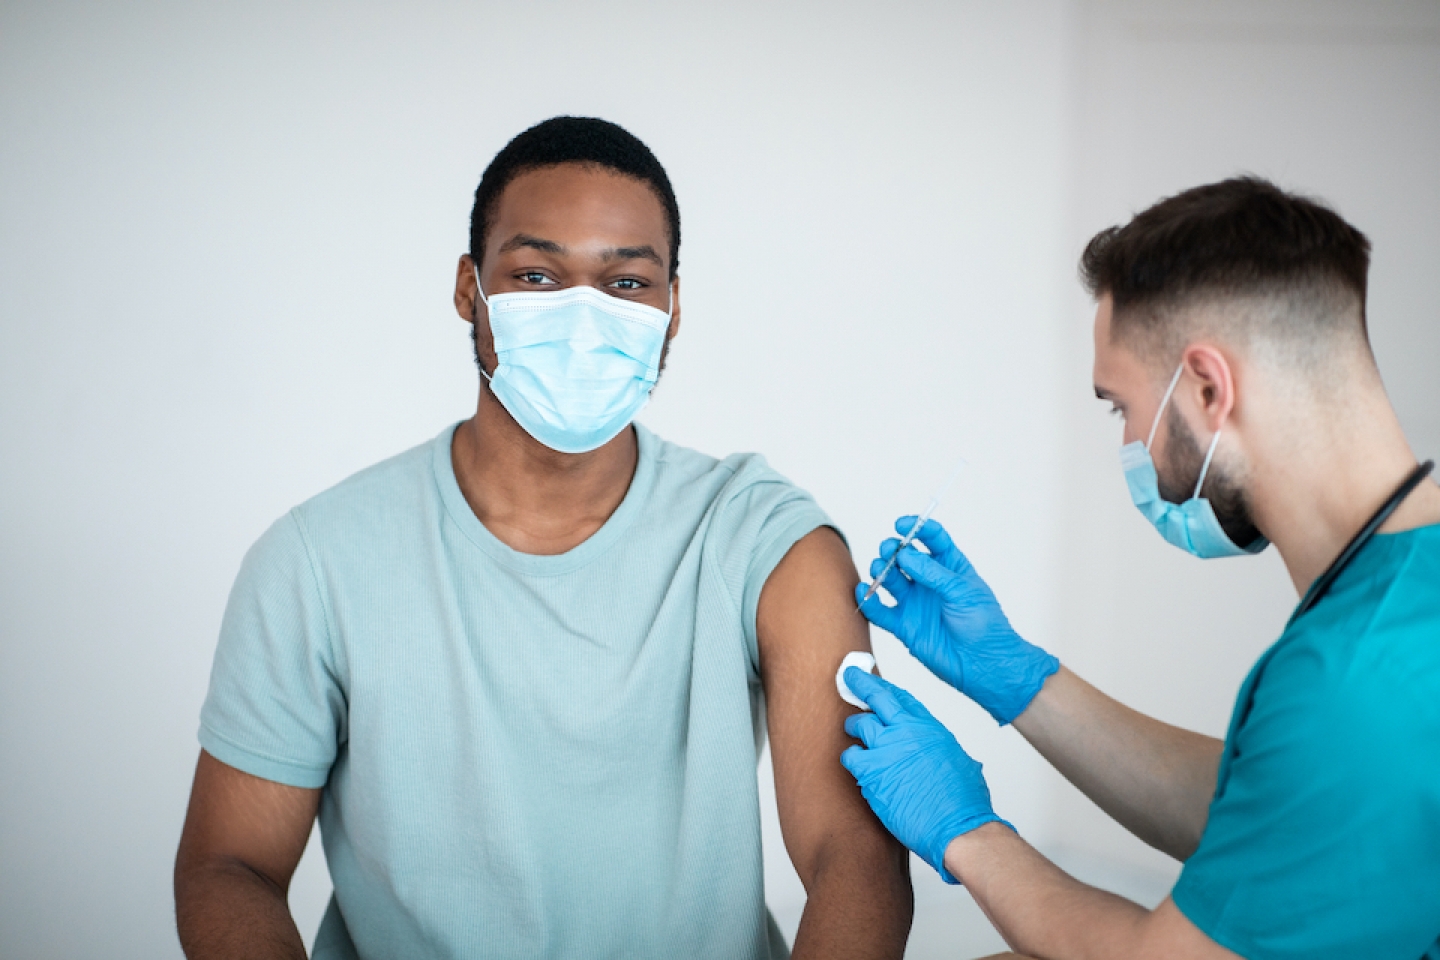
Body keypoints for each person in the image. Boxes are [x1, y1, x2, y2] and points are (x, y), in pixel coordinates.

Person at [174, 116, 912, 960]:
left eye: (628, 284)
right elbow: (231, 864)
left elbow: (852, 854)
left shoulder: (764, 543)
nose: (583, 316)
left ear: (673, 310)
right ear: (468, 289)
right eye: (536, 273)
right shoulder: (316, 562)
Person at [840, 177, 1440, 959]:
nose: (1130, 447)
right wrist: (1017, 678)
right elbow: (1275, 809)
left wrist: (967, 832)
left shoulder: (1356, 677)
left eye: (1121, 408)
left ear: (1206, 387)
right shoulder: (1400, 599)